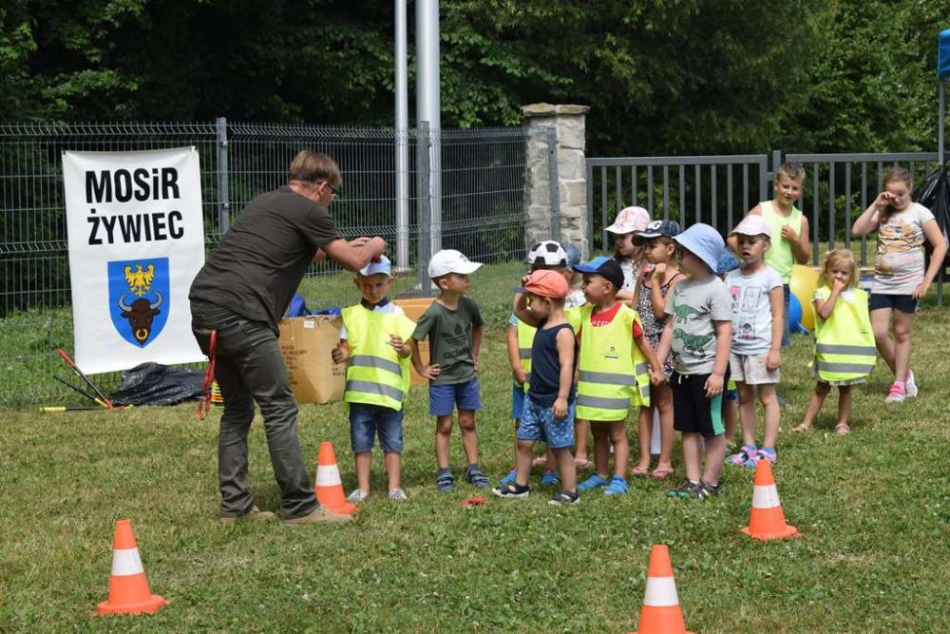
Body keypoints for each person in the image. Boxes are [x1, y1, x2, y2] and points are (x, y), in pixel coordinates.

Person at [189, 150, 386, 524]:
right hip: (243, 314)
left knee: (237, 410)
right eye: (333, 196)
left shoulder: (268, 202)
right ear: (322, 187)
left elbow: (311, 252)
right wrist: (375, 244)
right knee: (279, 406)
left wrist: (345, 248)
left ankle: (235, 507)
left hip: (205, 309)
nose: (331, 204)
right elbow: (356, 262)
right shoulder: (310, 209)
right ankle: (300, 506)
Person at [852, 167, 948, 403]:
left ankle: (898, 385)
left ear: (910, 189)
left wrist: (927, 281)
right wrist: (876, 205)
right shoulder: (883, 213)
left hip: (909, 284)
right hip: (883, 283)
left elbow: (941, 245)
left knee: (902, 332)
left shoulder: (920, 213)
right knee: (879, 333)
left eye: (901, 194)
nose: (896, 199)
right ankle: (904, 374)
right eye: (891, 194)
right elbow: (857, 230)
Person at [573, 256, 665, 496]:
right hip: (590, 390)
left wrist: (656, 367)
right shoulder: (582, 315)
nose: (583, 286)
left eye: (588, 281)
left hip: (615, 390)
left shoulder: (625, 315)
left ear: (607, 287)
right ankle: (601, 474)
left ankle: (619, 478)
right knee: (598, 433)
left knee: (617, 434)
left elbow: (643, 343)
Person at [656, 223, 732, 499]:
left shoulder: (716, 289)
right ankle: (692, 480)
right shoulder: (680, 288)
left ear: (699, 256)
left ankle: (710, 483)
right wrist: (659, 363)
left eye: (683, 252)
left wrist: (718, 373)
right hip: (682, 371)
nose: (678, 256)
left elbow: (724, 333)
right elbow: (669, 327)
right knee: (687, 427)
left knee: (711, 429)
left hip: (708, 372)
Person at [332, 256, 416, 502]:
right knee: (361, 442)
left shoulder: (398, 314)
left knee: (393, 442)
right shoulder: (350, 315)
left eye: (379, 285)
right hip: (360, 394)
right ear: (357, 284)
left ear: (389, 282)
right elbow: (346, 349)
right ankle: (363, 488)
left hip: (389, 394)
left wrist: (403, 349)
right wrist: (341, 354)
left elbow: (409, 349)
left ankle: (394, 487)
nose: (373, 290)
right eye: (367, 285)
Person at [493, 270, 579, 505]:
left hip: (554, 401)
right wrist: (523, 291)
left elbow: (567, 367)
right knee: (524, 441)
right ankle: (520, 485)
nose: (529, 304)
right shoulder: (541, 320)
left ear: (548, 303)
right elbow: (518, 311)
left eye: (533, 300)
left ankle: (570, 491)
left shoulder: (563, 332)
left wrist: (562, 398)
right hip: (534, 397)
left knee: (560, 448)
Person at [410, 249, 489, 492]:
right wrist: (421, 367)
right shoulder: (433, 312)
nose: (468, 279)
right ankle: (444, 471)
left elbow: (479, 326)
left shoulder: (469, 305)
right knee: (444, 425)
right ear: (444, 283)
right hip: (443, 380)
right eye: (462, 276)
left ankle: (473, 467)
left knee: (468, 421)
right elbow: (413, 339)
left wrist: (474, 355)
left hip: (466, 377)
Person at [723, 216, 784, 468]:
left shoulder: (771, 277)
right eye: (742, 242)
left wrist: (775, 349)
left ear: (765, 245)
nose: (745, 247)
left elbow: (778, 315)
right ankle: (748, 446)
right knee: (744, 396)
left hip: (760, 348)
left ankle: (768, 449)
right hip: (736, 348)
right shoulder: (731, 277)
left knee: (767, 397)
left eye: (752, 242)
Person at [794, 250, 876, 435]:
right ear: (826, 272)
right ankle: (806, 423)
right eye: (834, 271)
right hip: (829, 352)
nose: (839, 276)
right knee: (821, 388)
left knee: (846, 389)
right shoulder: (820, 293)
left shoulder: (859, 295)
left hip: (848, 352)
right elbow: (825, 313)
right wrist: (835, 293)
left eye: (844, 273)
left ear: (851, 275)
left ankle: (842, 423)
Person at [729, 163, 810, 347]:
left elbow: (804, 258)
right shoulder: (761, 210)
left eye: (794, 188)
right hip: (755, 280)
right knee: (751, 330)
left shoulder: (801, 220)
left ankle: (775, 360)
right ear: (776, 185)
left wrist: (795, 240)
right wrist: (748, 257)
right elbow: (733, 238)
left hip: (781, 284)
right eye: (785, 186)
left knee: (780, 337)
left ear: (801, 190)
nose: (789, 192)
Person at [630, 219, 683, 480]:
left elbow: (663, 313)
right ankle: (643, 457)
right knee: (644, 404)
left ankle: (665, 459)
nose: (647, 251)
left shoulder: (677, 279)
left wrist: (655, 283)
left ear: (670, 248)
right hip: (642, 348)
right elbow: (633, 307)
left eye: (653, 245)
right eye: (645, 245)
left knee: (664, 403)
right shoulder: (644, 275)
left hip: (664, 350)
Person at [715, 251, 741, 447]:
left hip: (728, 354)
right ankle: (715, 434)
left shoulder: (731, 294)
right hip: (709, 353)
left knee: (729, 397)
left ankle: (730, 436)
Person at [607, 206, 652, 304]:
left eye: (623, 237)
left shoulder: (652, 265)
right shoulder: (613, 264)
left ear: (639, 236)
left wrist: (621, 296)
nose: (618, 241)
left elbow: (651, 300)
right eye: (616, 237)